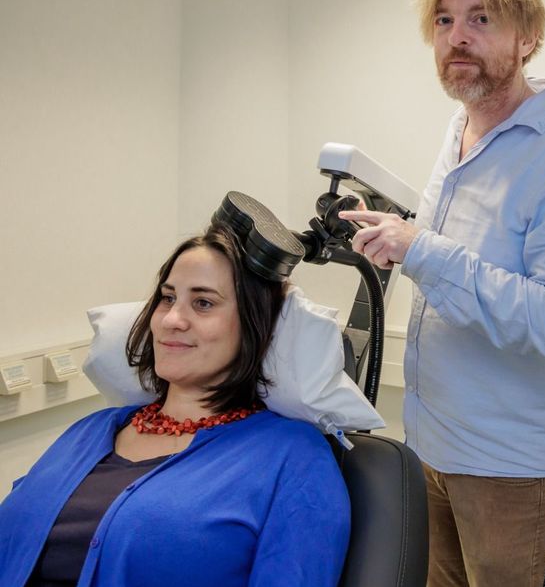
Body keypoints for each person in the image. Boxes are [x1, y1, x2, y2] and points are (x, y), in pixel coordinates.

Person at [338, 0, 545, 585]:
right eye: (444, 20)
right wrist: (394, 238)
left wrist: (422, 250)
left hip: (514, 473)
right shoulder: (461, 131)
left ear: (528, 38)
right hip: (432, 451)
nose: (456, 36)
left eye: (480, 18)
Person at [0, 225, 349, 587]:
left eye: (203, 303)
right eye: (167, 298)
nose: (170, 320)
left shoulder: (293, 458)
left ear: (253, 324)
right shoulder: (89, 431)